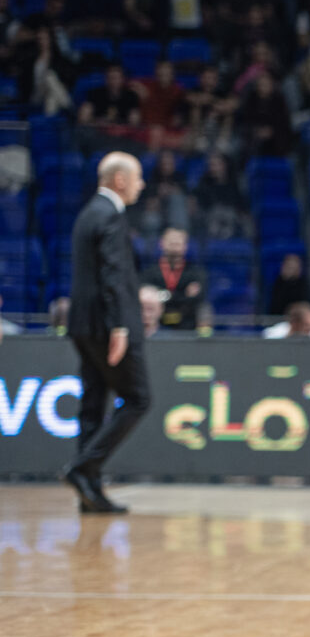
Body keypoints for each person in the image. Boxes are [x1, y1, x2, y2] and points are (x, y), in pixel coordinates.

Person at [61, 152, 149, 514]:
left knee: (92, 405)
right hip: (106, 326)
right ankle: (84, 469)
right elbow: (113, 276)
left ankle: (89, 491)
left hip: (82, 324)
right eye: (138, 177)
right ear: (121, 180)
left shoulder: (87, 213)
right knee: (138, 398)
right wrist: (120, 326)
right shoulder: (110, 216)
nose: (142, 185)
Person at [140, 227, 205, 331]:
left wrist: (162, 296)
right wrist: (183, 295)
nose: (174, 247)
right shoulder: (149, 274)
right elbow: (145, 300)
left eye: (178, 243)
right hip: (155, 327)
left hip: (187, 327)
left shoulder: (196, 274)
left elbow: (197, 300)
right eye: (171, 243)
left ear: (185, 246)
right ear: (161, 243)